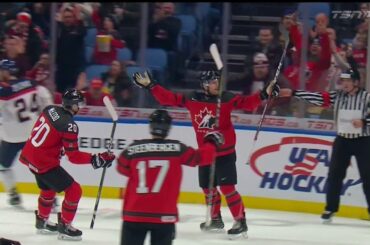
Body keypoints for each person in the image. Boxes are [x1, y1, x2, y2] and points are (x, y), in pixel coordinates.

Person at [132, 70, 280, 238]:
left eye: (218, 81)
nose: (218, 84)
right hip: (205, 153)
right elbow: (169, 98)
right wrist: (152, 86)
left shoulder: (226, 98)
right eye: (214, 82)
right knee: (207, 188)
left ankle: (240, 222)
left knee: (227, 188)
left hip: (225, 153)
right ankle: (215, 219)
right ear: (205, 85)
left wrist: (264, 93)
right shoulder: (193, 98)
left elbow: (247, 103)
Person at [19, 88, 116, 240]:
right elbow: (74, 157)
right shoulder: (69, 125)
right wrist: (97, 159)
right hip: (44, 162)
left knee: (48, 188)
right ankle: (65, 226)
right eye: (79, 104)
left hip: (29, 156)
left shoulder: (50, 109)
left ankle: (42, 221)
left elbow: (49, 136)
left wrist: (58, 149)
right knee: (74, 190)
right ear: (73, 105)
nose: (80, 107)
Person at [117, 109, 224, 245]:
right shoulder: (178, 149)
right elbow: (202, 157)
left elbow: (122, 168)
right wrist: (211, 143)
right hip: (164, 215)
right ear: (168, 128)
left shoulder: (132, 149)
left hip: (134, 214)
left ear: (151, 126)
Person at [279, 69, 370, 223]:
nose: (344, 84)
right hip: (342, 140)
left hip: (363, 141)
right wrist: (294, 93)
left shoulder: (366, 97)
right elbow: (318, 98)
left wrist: (364, 122)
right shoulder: (338, 96)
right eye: (343, 80)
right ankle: (331, 208)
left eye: (348, 80)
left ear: (356, 82)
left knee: (368, 176)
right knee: (334, 175)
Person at [0, 59, 53, 207]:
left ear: (6, 72)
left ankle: (13, 194)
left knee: (3, 166)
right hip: (33, 134)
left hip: (12, 136)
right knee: (42, 168)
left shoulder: (4, 91)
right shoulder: (34, 84)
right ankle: (52, 199)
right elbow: (47, 104)